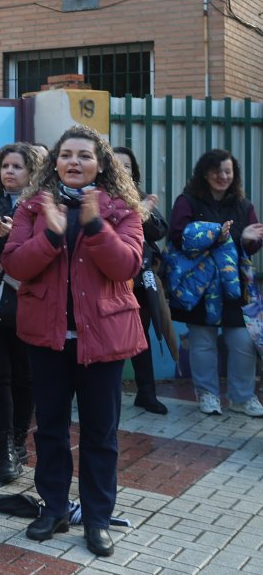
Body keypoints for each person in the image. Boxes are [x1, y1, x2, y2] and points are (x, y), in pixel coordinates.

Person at [2, 126, 147, 558]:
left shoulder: (121, 210)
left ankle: (98, 519)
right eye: (67, 155)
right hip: (47, 340)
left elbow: (126, 266)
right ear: (55, 161)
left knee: (101, 434)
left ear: (100, 163)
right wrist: (49, 234)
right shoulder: (34, 207)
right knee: (49, 430)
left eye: (84, 155)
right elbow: (15, 265)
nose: (74, 162)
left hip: (102, 341)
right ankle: (53, 509)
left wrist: (95, 225)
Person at [168, 148, 263, 417]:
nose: (222, 176)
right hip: (200, 285)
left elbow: (251, 245)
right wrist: (228, 234)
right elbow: (177, 236)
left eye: (228, 171)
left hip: (234, 286)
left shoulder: (243, 205)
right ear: (204, 172)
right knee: (202, 341)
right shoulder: (188, 201)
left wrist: (248, 239)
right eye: (216, 170)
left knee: (243, 341)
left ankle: (242, 397)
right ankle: (207, 394)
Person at [0, 142, 42, 484]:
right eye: (5, 166)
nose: (9, 172)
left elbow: (49, 251)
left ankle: (18, 441)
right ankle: (3, 446)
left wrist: (14, 235)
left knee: (25, 375)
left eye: (17, 166)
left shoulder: (45, 205)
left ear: (33, 171)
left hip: (29, 300)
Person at [111, 146, 169, 414]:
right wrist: (137, 212)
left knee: (140, 334)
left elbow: (160, 230)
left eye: (127, 165)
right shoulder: (99, 197)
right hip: (110, 279)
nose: (122, 169)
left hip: (140, 278)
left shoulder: (141, 197)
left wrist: (143, 211)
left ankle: (146, 392)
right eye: (116, 164)